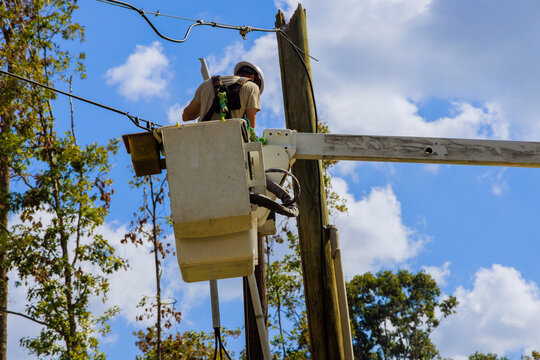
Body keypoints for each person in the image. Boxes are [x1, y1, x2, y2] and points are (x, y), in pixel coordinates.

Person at [182, 61, 264, 129]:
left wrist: (206, 105)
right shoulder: (252, 87)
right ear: (252, 77)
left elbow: (186, 116)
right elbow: (250, 129)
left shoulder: (206, 84)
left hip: (202, 142)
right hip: (230, 143)